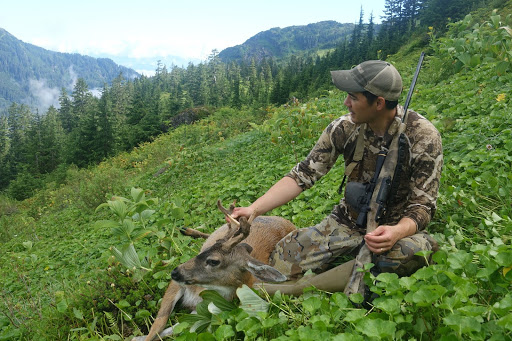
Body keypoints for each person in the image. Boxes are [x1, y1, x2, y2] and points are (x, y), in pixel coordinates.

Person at [232, 60, 443, 282]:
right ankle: (350, 267)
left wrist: (396, 232)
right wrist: (254, 209)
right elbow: (303, 175)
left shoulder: (423, 137)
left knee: (401, 255)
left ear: (379, 103)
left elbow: (423, 207)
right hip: (347, 222)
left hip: (395, 229)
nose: (346, 103)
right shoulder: (343, 128)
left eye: (353, 97)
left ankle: (358, 268)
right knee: (283, 258)